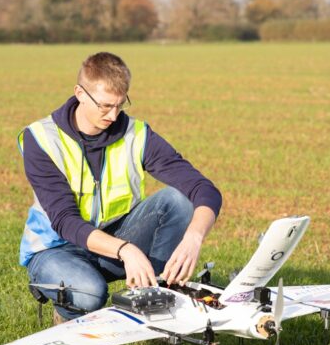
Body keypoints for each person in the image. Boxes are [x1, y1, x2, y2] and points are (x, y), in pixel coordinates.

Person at [18, 52, 222, 323]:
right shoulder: (41, 139)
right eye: (104, 106)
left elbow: (203, 189)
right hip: (56, 248)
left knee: (179, 200)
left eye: (120, 104)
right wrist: (126, 250)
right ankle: (65, 311)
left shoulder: (137, 134)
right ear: (79, 93)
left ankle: (155, 299)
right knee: (90, 294)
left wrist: (194, 238)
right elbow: (66, 221)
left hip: (115, 238)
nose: (113, 116)